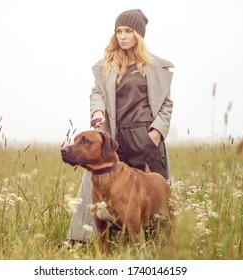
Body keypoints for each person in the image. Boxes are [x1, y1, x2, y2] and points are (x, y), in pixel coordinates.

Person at [67, 8, 174, 243]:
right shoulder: (108, 65)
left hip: (145, 135)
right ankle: (81, 239)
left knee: (151, 194)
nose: (122, 36)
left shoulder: (154, 68)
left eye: (128, 31)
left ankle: (159, 247)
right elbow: (97, 93)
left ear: (139, 35)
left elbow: (166, 104)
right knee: (103, 187)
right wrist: (97, 110)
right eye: (118, 31)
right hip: (115, 136)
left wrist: (156, 132)